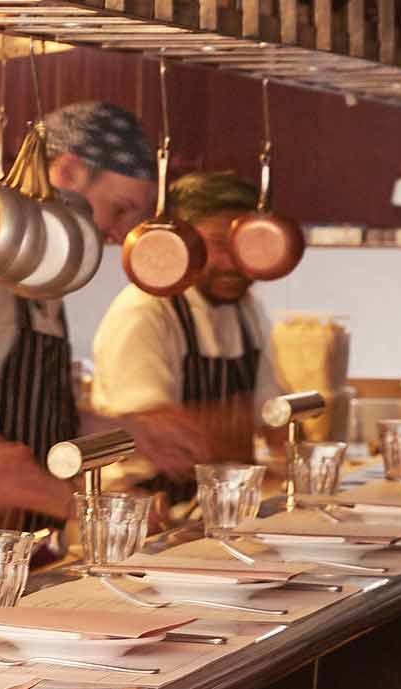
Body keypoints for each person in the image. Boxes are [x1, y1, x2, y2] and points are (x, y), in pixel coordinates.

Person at [0, 100, 201, 523]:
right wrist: (90, 512)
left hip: (16, 533)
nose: (122, 233)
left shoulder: (45, 273)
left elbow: (39, 417)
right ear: (67, 172)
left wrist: (136, 434)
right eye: (120, 208)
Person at [90, 168, 288, 472]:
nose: (232, 263)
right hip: (142, 494)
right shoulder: (145, 311)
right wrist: (234, 425)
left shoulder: (246, 311)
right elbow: (158, 433)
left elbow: (272, 417)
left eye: (246, 245)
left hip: (217, 491)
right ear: (181, 241)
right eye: (219, 243)